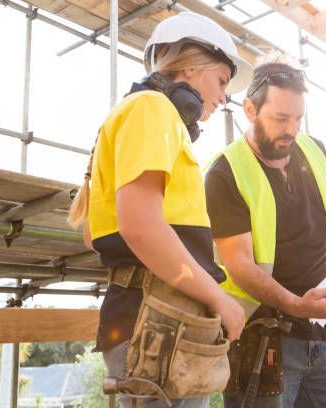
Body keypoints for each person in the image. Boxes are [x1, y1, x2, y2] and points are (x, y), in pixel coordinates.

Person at [67, 12, 252, 407]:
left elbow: (96, 233)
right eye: (221, 80)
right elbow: (142, 228)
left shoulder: (140, 114)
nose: (224, 96)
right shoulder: (152, 110)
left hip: (158, 316)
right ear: (189, 65)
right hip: (158, 318)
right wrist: (219, 299)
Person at [205, 52, 326, 407]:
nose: (292, 129)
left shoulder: (313, 150)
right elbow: (239, 265)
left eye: (298, 118)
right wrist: (297, 305)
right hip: (263, 338)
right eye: (280, 118)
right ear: (250, 111)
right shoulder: (225, 173)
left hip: (323, 332)